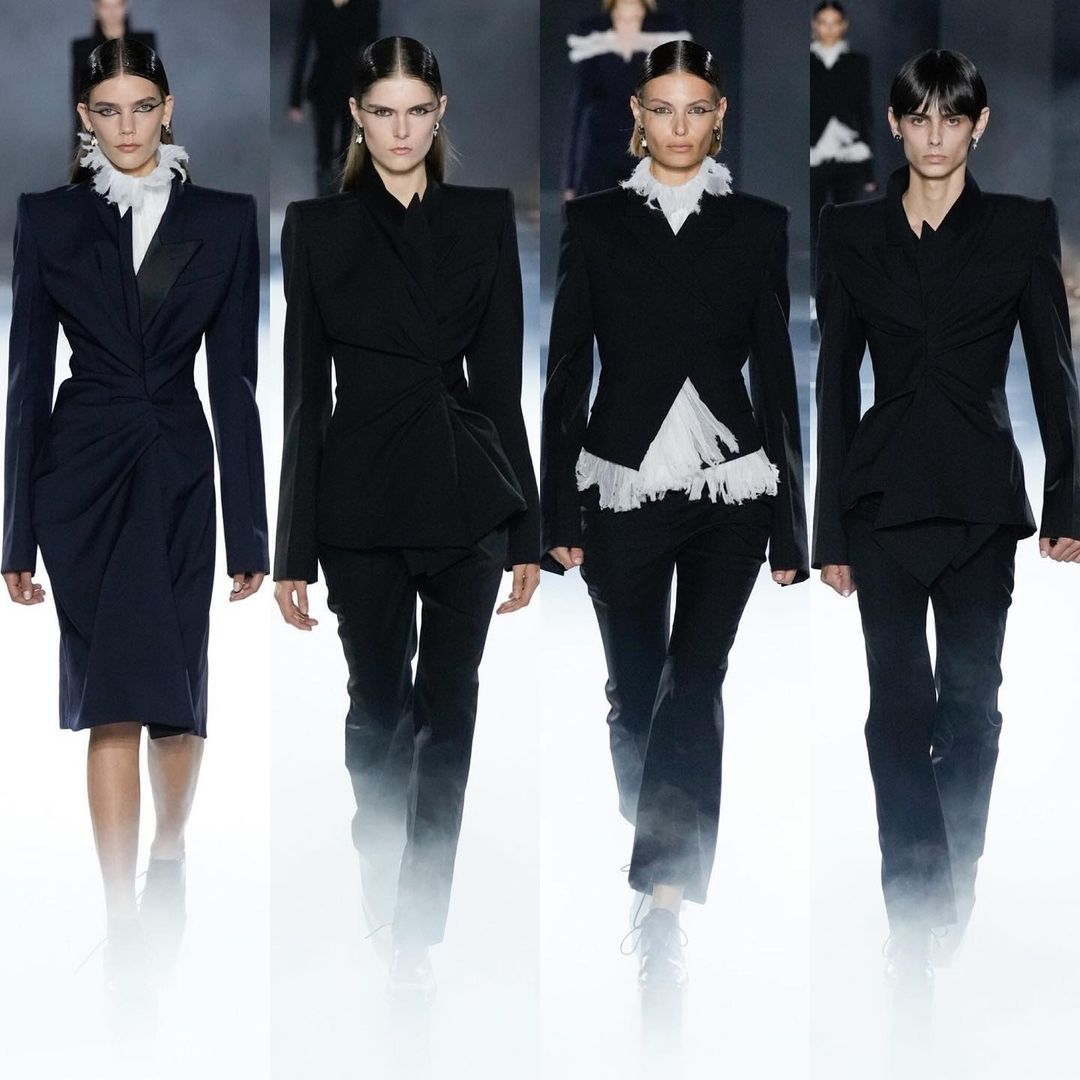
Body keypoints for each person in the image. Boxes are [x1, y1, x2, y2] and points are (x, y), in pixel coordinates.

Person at [274, 36, 541, 1000]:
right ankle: (381, 874)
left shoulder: (482, 219)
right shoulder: (316, 228)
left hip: (468, 492)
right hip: (359, 498)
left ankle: (415, 932)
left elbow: (503, 384)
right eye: (382, 112)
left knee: (449, 712)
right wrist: (291, 547)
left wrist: (526, 527)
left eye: (416, 111)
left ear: (440, 114)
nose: (400, 130)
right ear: (355, 116)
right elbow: (302, 392)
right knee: (379, 712)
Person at [542, 39, 808, 991]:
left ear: (720, 115)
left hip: (732, 487)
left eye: (697, 108)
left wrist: (793, 523)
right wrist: (554, 510)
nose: (680, 125)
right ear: (637, 116)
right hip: (619, 483)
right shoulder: (595, 222)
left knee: (694, 683)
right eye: (662, 108)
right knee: (636, 696)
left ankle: (661, 910)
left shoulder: (759, 225)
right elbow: (565, 368)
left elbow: (777, 374)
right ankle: (654, 816)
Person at [2, 39, 269, 989]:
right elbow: (25, 380)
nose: (126, 126)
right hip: (79, 483)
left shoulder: (225, 220)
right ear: (85, 117)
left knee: (176, 696)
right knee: (109, 697)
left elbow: (234, 384)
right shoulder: (48, 219)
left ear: (169, 108)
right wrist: (14, 533)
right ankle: (122, 925)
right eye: (108, 110)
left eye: (142, 106)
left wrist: (252, 531)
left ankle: (170, 853)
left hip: (179, 476)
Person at [813, 49, 1080, 984]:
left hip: (978, 500)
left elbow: (1053, 368)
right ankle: (916, 905)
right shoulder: (850, 229)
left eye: (951, 118)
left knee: (971, 710)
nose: (934, 136)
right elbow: (833, 382)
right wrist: (827, 530)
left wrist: (1069, 497)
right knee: (896, 711)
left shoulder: (1019, 226)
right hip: (881, 499)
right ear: (894, 124)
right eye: (918, 118)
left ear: (979, 125)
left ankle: (953, 880)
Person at [563, 0, 691, 199]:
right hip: (599, 151)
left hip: (649, 145)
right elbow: (579, 102)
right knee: (598, 215)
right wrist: (570, 179)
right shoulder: (592, 30)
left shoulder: (667, 28)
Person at [809, 1, 874, 292]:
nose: (829, 29)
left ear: (844, 25)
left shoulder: (857, 62)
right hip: (814, 155)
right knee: (817, 228)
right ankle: (818, 292)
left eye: (835, 22)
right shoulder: (807, 62)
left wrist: (869, 170)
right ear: (815, 24)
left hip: (849, 154)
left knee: (848, 226)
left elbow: (865, 111)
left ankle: (847, 291)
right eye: (823, 22)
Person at [288, 0, 381, 195]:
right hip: (323, 86)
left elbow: (373, 49)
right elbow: (302, 48)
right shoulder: (314, 5)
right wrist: (295, 99)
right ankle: (325, 204)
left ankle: (344, 203)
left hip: (354, 89)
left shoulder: (368, 4)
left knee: (349, 151)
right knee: (324, 154)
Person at [71, 1, 157, 123]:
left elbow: (156, 89)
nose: (112, 12)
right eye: (105, 6)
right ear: (95, 8)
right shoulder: (83, 49)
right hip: (99, 120)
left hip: (141, 118)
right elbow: (79, 96)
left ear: (126, 6)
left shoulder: (145, 42)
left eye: (117, 5)